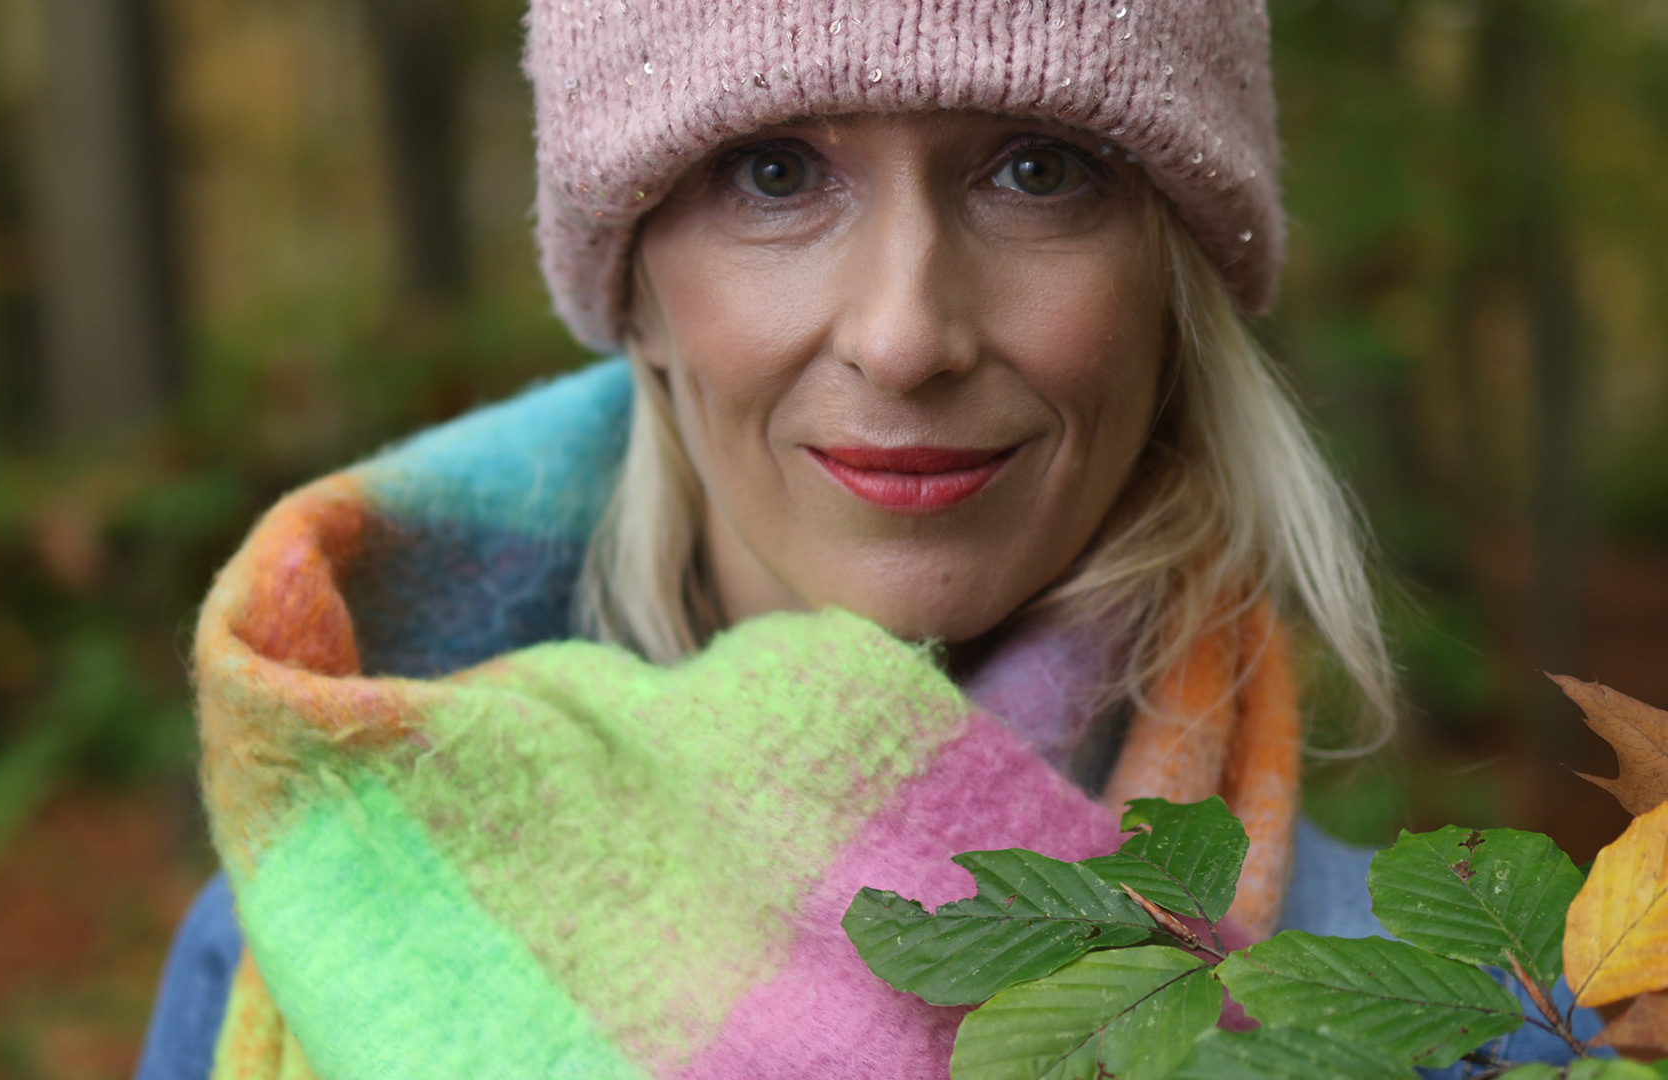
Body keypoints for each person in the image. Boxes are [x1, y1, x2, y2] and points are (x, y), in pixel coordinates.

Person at [133, 2, 1587, 1077]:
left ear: (1174, 285)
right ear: (638, 294)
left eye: (1036, 170)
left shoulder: (1472, 1023)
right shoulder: (307, 926)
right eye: (775, 174)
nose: (903, 336)